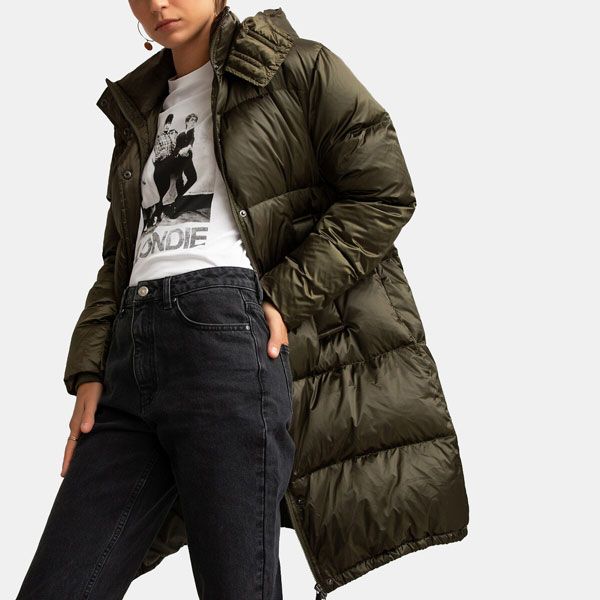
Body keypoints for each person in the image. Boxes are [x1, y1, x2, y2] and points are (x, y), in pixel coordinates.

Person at [16, 2, 470, 599]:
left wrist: (279, 298)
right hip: (131, 355)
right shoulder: (140, 109)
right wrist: (89, 369)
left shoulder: (296, 67)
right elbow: (120, 257)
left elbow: (383, 193)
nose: (157, 2)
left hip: (225, 342)